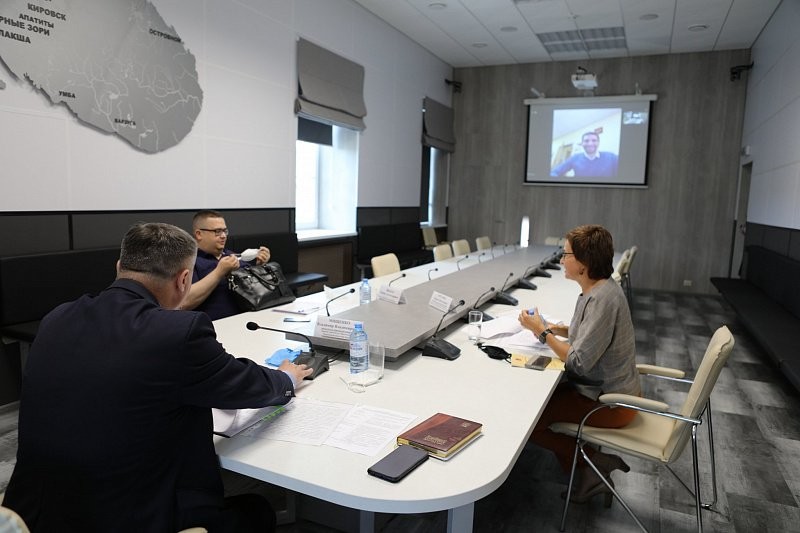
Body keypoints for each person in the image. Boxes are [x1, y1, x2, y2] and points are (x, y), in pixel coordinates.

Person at [3, 222, 312, 532]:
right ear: (184, 280)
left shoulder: (58, 317)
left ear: (119, 267)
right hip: (129, 518)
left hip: (34, 513)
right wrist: (285, 378)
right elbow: (243, 385)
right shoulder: (177, 333)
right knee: (258, 510)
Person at [518, 224, 639, 505]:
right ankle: (589, 473)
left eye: (566, 254)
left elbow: (578, 362)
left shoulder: (601, 300)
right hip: (603, 392)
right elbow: (584, 334)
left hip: (611, 404)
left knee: (529, 421)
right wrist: (553, 328)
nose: (562, 260)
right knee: (537, 404)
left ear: (583, 264)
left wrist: (542, 333)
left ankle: (594, 463)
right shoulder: (599, 289)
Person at [182, 209, 271, 320]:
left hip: (247, 319)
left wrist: (260, 266)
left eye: (225, 231)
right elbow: (184, 302)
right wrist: (219, 272)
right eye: (217, 231)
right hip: (213, 325)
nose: (223, 236)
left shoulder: (232, 256)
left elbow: (254, 291)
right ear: (199, 234)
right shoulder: (190, 261)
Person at [550, 131, 619, 179]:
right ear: (582, 143)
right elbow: (554, 172)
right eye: (586, 141)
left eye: (594, 140)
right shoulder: (575, 157)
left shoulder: (612, 157)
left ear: (598, 143)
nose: (590, 144)